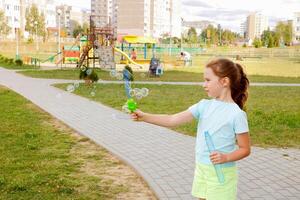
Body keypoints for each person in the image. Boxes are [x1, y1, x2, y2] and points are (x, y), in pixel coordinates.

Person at [131, 58, 251, 200]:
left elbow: (245, 149)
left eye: (208, 80)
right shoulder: (203, 106)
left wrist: (227, 157)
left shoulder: (236, 114)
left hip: (222, 173)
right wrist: (145, 117)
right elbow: (172, 119)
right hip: (202, 168)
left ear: (224, 82)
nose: (203, 85)